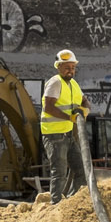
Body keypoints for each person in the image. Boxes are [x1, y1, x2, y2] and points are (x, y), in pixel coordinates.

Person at [39, 48, 88, 203]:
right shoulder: (55, 83)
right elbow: (49, 107)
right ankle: (56, 206)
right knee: (59, 173)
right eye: (67, 67)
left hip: (67, 134)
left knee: (80, 170)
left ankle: (72, 203)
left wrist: (85, 110)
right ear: (58, 66)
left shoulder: (73, 84)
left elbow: (84, 101)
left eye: (73, 67)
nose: (70, 70)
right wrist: (70, 117)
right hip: (54, 136)